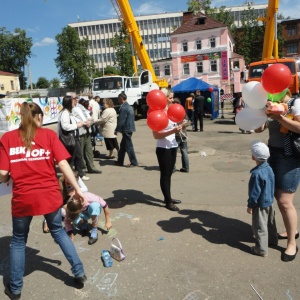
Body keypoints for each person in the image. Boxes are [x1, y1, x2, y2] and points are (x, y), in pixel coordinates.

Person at [0, 102, 87, 299]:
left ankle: (15, 289)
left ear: (21, 118)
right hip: (49, 196)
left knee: (18, 241)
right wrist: (78, 189)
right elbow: (63, 164)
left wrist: (8, 176)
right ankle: (79, 273)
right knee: (58, 232)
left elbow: (3, 174)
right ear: (39, 117)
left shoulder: (7, 138)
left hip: (24, 198)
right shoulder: (48, 136)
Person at [255, 89, 300, 262]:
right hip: (272, 155)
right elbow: (260, 129)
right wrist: (260, 115)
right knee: (276, 196)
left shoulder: (295, 104)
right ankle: (292, 230)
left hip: (290, 157)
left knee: (284, 201)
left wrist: (279, 117)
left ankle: (291, 243)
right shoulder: (270, 105)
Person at [152, 89, 182, 211]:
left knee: (169, 174)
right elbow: (156, 135)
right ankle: (168, 202)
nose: (172, 100)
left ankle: (168, 197)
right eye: (170, 98)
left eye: (172, 97)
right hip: (163, 148)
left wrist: (181, 125)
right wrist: (173, 131)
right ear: (162, 99)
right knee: (165, 174)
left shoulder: (171, 111)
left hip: (173, 145)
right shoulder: (156, 114)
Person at [247, 140, 278, 257]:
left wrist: (250, 205)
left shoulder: (256, 174)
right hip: (269, 201)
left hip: (260, 204)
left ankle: (261, 249)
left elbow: (254, 193)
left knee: (260, 226)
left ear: (253, 157)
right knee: (270, 222)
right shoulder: (269, 169)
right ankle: (273, 239)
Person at [58, 94, 89, 181]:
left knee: (77, 156)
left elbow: (74, 119)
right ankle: (70, 176)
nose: (74, 102)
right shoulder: (64, 113)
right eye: (72, 101)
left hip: (73, 137)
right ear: (69, 103)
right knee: (72, 158)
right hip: (69, 138)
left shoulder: (68, 112)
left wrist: (81, 122)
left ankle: (79, 174)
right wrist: (77, 125)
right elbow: (65, 126)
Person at [73, 98, 102, 174]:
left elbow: (88, 115)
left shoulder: (80, 106)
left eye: (76, 98)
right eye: (74, 98)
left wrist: (90, 121)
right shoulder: (69, 109)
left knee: (89, 150)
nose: (76, 99)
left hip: (87, 131)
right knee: (80, 153)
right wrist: (84, 123)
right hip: (80, 132)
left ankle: (91, 167)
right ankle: (82, 170)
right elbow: (73, 120)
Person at [115, 92, 138, 167]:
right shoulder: (129, 106)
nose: (118, 100)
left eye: (118, 99)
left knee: (128, 146)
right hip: (129, 128)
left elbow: (121, 120)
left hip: (126, 129)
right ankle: (120, 161)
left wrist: (117, 129)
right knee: (123, 146)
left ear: (121, 99)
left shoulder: (124, 108)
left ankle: (134, 162)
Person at [173, 98, 190, 173]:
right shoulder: (182, 111)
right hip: (183, 134)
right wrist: (182, 125)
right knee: (184, 151)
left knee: (173, 152)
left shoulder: (171, 111)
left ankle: (172, 168)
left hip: (175, 135)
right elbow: (188, 122)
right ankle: (186, 167)